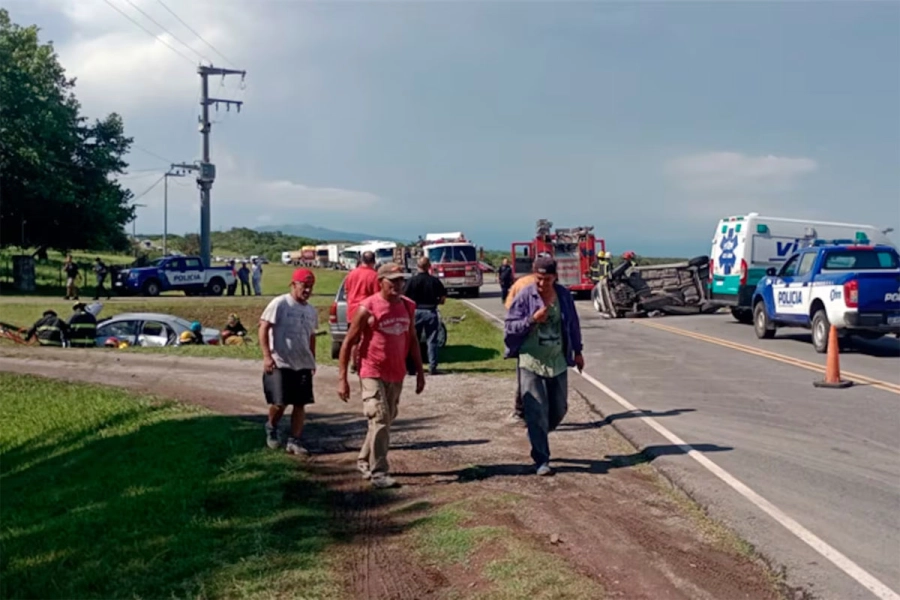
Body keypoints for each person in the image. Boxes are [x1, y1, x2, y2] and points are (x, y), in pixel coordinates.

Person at [338, 263, 425, 489]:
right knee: (379, 417)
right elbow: (348, 343)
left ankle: (363, 460)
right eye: (392, 281)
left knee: (386, 419)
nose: (398, 285)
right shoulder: (367, 308)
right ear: (381, 282)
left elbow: (413, 338)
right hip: (371, 370)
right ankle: (379, 472)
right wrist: (343, 379)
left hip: (396, 372)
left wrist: (420, 372)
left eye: (401, 280)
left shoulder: (408, 306)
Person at [504, 256, 584, 476]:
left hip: (557, 361)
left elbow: (573, 324)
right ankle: (541, 460)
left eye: (547, 279)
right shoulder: (524, 296)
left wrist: (578, 351)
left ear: (555, 277)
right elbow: (510, 327)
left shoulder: (564, 296)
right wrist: (532, 320)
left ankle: (536, 432)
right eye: (538, 279)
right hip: (531, 360)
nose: (542, 284)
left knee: (559, 409)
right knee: (536, 408)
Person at [259, 268, 319, 455]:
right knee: (280, 402)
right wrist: (267, 356)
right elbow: (263, 328)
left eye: (310, 287)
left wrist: (312, 360)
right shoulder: (280, 303)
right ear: (293, 285)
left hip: (302, 362)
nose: (307, 290)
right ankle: (271, 426)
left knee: (300, 403)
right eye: (304, 286)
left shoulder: (311, 310)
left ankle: (294, 440)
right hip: (280, 361)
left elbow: (311, 337)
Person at [402, 256, 447, 375]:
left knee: (413, 340)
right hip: (431, 311)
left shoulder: (411, 281)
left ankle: (411, 368)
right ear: (429, 266)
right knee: (432, 340)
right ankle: (433, 366)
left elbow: (404, 297)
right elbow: (443, 298)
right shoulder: (435, 281)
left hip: (415, 311)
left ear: (417, 266)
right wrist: (436, 302)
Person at [343, 250, 380, 372]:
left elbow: (347, 291)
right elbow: (376, 296)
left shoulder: (351, 274)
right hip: (366, 311)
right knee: (367, 338)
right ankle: (364, 361)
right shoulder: (374, 275)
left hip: (352, 310)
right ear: (373, 261)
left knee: (354, 339)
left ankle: (353, 362)